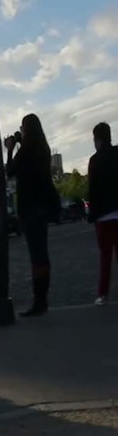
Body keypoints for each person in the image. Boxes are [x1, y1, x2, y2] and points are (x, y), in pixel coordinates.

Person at [6, 113, 59, 317]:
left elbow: (10, 170)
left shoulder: (25, 151)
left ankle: (39, 301)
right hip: (43, 206)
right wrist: (20, 142)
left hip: (29, 208)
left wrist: (10, 149)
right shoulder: (42, 148)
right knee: (42, 254)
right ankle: (42, 299)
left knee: (36, 256)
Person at [88, 122, 118, 305]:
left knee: (105, 257)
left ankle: (103, 293)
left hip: (104, 216)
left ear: (96, 139)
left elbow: (94, 190)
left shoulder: (95, 160)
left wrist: (92, 214)